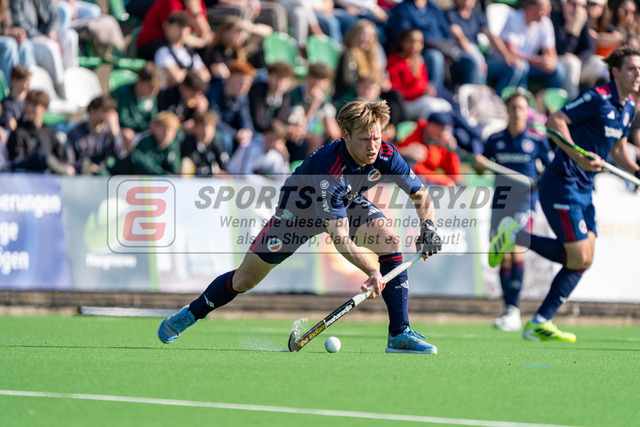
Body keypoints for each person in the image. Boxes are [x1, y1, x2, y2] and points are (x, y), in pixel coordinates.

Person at [157, 99, 444, 354]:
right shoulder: (328, 169)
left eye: (376, 138)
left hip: (344, 202)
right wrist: (371, 270)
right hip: (296, 215)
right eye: (364, 140)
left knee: (389, 240)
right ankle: (191, 313)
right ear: (345, 136)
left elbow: (421, 195)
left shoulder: (386, 154)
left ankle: (399, 333)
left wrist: (428, 227)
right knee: (244, 280)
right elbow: (340, 238)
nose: (372, 147)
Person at [489, 46, 640, 342]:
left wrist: (636, 171)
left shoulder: (629, 106)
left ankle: (540, 321)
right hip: (562, 182)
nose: (638, 74)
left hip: (584, 188)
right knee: (577, 255)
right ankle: (515, 236)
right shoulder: (597, 97)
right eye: (632, 69)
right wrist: (580, 155)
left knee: (585, 259)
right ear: (616, 72)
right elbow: (554, 122)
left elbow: (619, 147)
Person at [475, 90, 554, 331]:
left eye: (522, 108)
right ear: (507, 111)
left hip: (524, 202)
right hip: (501, 202)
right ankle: (508, 308)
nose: (518, 112)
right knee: (503, 255)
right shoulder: (494, 139)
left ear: (527, 112)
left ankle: (514, 310)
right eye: (514, 108)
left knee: (516, 249)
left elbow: (550, 170)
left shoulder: (536, 140)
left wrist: (540, 181)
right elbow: (481, 169)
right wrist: (479, 163)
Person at [486, 0, 565, 97]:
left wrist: (549, 62)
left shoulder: (545, 22)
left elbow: (551, 53)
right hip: (503, 62)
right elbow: (511, 54)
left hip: (527, 64)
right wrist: (537, 61)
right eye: (543, 10)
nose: (547, 14)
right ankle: (502, 99)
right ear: (530, 8)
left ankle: (550, 104)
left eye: (548, 10)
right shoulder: (514, 19)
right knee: (522, 66)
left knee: (558, 69)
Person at [11, 0, 79, 98]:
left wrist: (52, 31)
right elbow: (20, 24)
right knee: (51, 47)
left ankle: (72, 82)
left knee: (70, 37)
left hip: (47, 35)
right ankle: (60, 90)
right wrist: (42, 36)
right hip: (31, 38)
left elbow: (56, 16)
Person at [5, 89, 71, 174]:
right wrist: (40, 159)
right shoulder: (18, 133)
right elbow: (16, 164)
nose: (29, 108)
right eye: (27, 104)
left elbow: (61, 160)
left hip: (49, 179)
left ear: (44, 109)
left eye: (34, 105)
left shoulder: (50, 133)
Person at [396, 112, 461, 186]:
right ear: (431, 126)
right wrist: (445, 181)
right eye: (442, 128)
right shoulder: (414, 137)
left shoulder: (441, 143)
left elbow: (454, 176)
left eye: (447, 129)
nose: (445, 133)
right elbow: (414, 167)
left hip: (431, 181)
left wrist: (452, 152)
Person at [65, 95, 126, 175]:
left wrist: (116, 132)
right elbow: (70, 162)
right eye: (104, 111)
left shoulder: (109, 134)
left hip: (102, 174)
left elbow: (121, 156)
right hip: (80, 174)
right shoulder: (74, 133)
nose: (107, 116)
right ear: (91, 110)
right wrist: (86, 167)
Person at [109, 111, 182, 175]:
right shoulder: (145, 141)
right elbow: (144, 166)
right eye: (164, 128)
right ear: (154, 126)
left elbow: (174, 169)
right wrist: (164, 175)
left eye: (172, 130)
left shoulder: (172, 145)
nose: (167, 133)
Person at [111, 62, 163, 153]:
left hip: (142, 130)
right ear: (139, 81)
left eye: (156, 89)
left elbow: (153, 117)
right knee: (128, 136)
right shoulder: (122, 93)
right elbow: (123, 120)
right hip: (121, 130)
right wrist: (146, 125)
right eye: (150, 87)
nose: (154, 92)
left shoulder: (151, 96)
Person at [136, 0, 213, 61]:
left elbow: (206, 34)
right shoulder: (170, 2)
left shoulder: (197, 3)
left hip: (178, 43)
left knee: (210, 50)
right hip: (153, 44)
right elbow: (177, 36)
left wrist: (195, 12)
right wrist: (203, 43)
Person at [154, 11, 211, 86]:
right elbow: (177, 79)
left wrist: (184, 73)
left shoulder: (190, 51)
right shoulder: (163, 52)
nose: (182, 31)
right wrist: (195, 73)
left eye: (184, 27)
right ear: (168, 27)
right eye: (178, 27)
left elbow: (206, 76)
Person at [180, 110, 229, 176]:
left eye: (210, 127)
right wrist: (214, 171)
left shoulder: (218, 145)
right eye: (202, 127)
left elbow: (225, 171)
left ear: (214, 129)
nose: (206, 132)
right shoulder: (187, 143)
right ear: (195, 127)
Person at [0, 0, 35, 88]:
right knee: (9, 45)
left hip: (3, 35)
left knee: (25, 45)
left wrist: (14, 32)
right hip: (4, 38)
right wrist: (6, 32)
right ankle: (10, 92)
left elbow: (7, 24)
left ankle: (28, 88)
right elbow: (6, 31)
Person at [1, 65, 31, 133]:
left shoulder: (31, 99)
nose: (28, 84)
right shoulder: (6, 103)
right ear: (15, 81)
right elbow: (11, 126)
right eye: (25, 81)